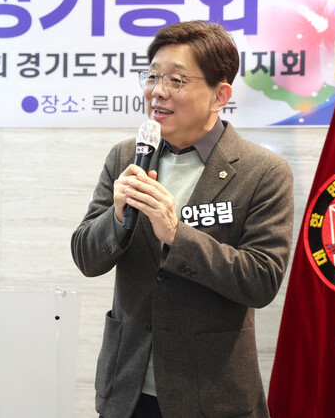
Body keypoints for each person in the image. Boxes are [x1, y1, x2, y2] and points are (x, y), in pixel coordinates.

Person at [71, 21, 294, 418]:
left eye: (176, 80)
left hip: (212, 396)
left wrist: (176, 234)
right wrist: (116, 217)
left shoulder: (263, 171)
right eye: (152, 77)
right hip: (126, 389)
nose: (157, 91)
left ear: (219, 95)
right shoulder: (126, 157)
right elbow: (86, 257)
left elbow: (261, 281)